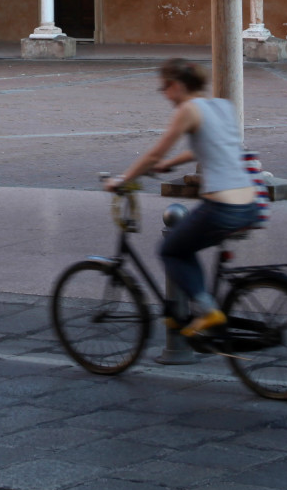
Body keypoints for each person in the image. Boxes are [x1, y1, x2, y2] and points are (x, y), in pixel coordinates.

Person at [104, 58, 259, 338]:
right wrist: (171, 164)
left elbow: (153, 154)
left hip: (222, 207)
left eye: (164, 88)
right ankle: (189, 313)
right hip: (248, 204)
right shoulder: (223, 106)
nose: (164, 95)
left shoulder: (188, 109)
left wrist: (122, 180)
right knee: (188, 245)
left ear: (175, 86)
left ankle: (206, 309)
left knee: (171, 251)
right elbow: (211, 146)